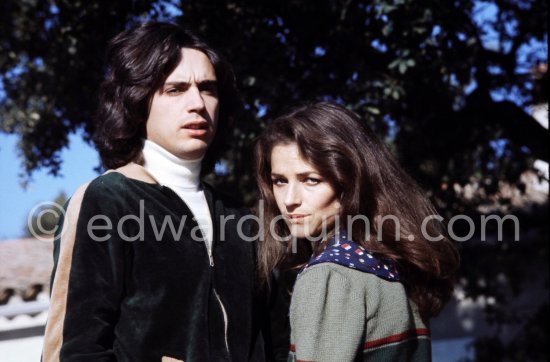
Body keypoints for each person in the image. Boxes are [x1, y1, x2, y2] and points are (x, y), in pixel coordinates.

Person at [43, 22, 266, 362]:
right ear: (138, 99)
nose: (197, 103)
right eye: (175, 89)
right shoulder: (107, 201)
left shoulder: (239, 217)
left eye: (208, 88)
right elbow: (74, 350)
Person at [255, 102, 460, 361]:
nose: (289, 199)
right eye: (280, 181)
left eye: (311, 180)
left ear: (350, 182)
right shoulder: (392, 265)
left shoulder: (330, 276)